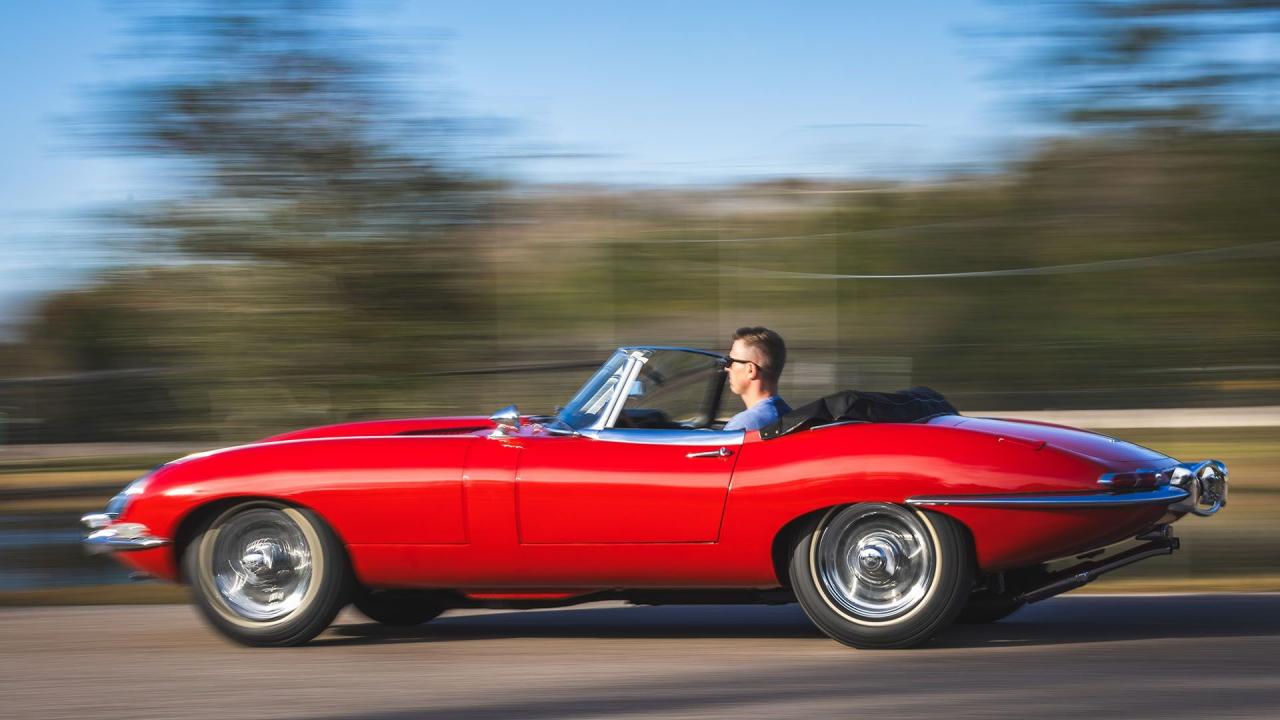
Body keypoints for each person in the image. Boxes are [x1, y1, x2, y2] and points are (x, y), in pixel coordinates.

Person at [722, 326, 791, 432]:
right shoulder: (790, 415)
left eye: (730, 361)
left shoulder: (743, 424)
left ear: (751, 370)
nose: (727, 368)